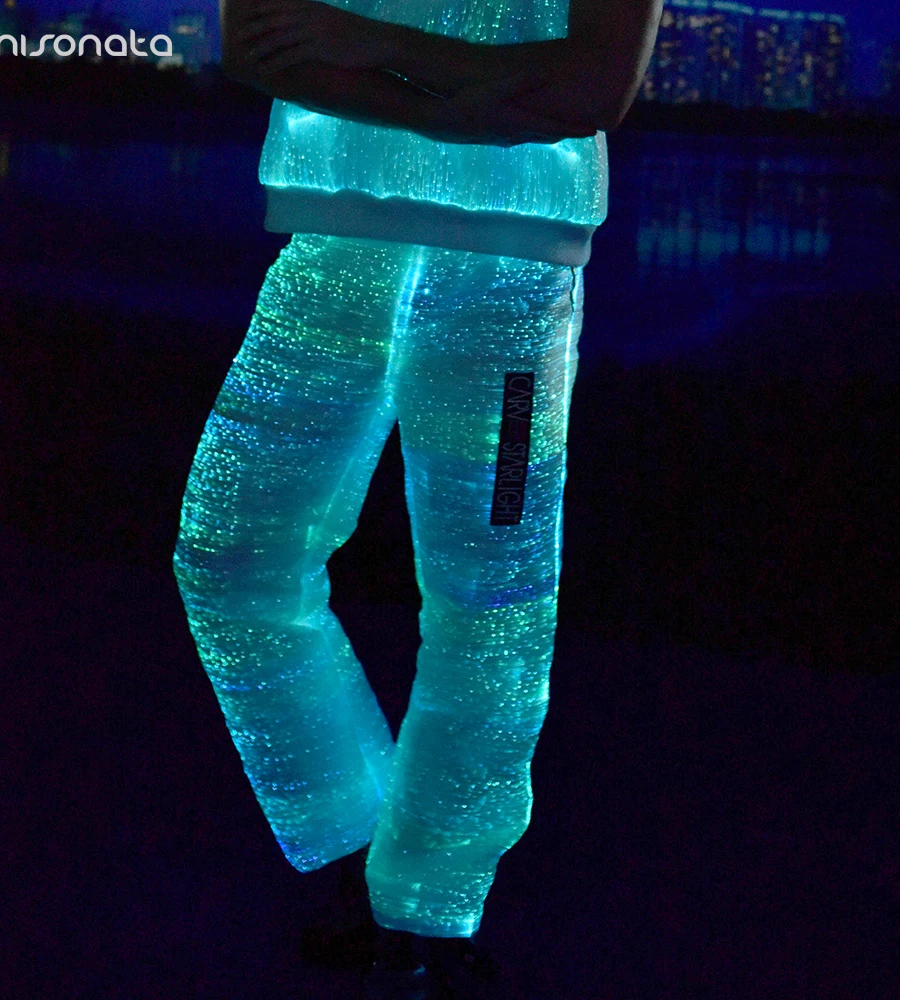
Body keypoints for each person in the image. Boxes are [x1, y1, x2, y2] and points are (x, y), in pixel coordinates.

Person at [171, 0, 662, 995]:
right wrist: (468, 102)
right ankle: (371, 852)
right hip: (335, 237)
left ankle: (428, 907)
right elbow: (259, 45)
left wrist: (376, 47)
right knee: (231, 556)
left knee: (493, 601)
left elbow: (593, 86)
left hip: (514, 263)